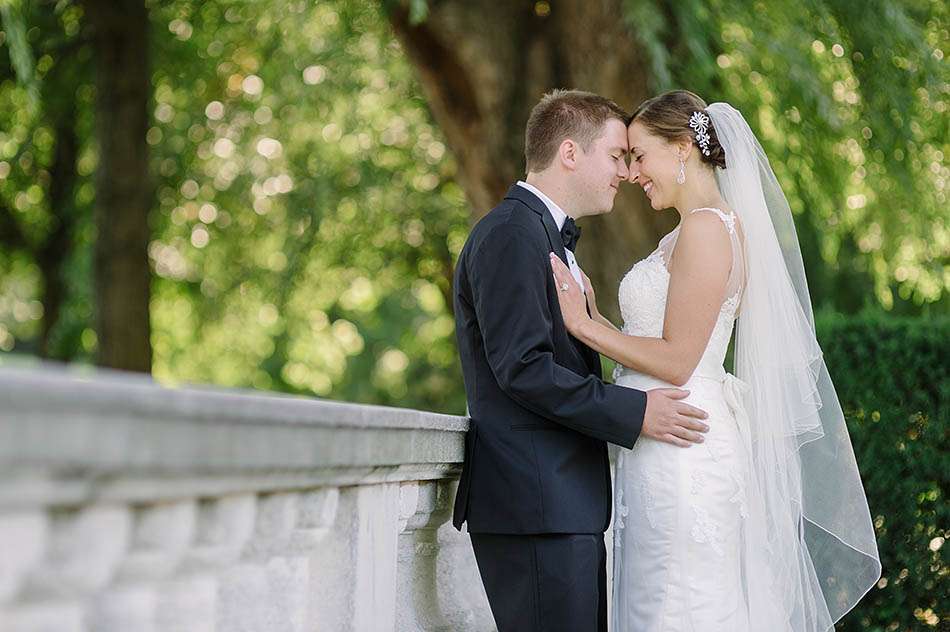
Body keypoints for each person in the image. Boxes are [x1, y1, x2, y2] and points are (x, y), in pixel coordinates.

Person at [550, 90, 881, 631]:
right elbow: (660, 343)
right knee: (657, 596)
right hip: (662, 435)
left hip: (683, 437)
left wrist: (584, 327)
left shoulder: (707, 228)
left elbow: (679, 359)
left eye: (639, 155)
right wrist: (597, 318)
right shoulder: (690, 229)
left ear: (682, 148)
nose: (633, 172)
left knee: (680, 602)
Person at [451, 89, 711, 632]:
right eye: (618, 156)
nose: (625, 172)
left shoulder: (543, 235)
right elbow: (523, 368)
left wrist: (593, 328)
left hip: (559, 504)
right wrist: (635, 413)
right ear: (570, 153)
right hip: (534, 505)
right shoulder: (510, 234)